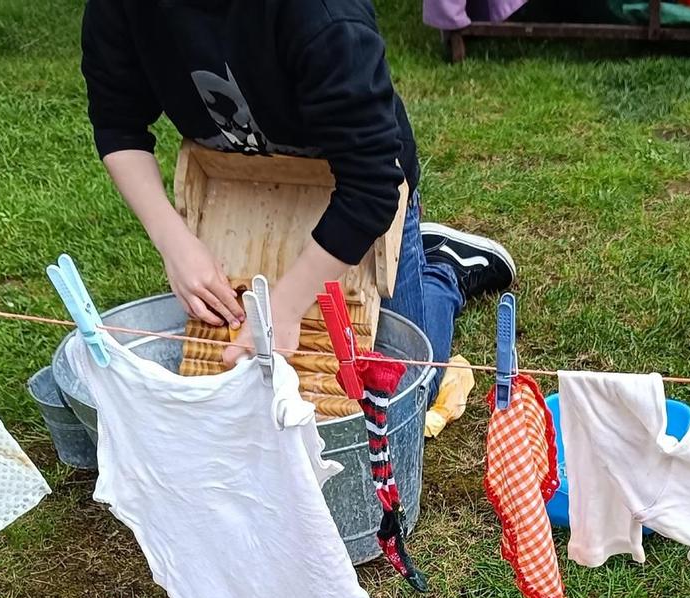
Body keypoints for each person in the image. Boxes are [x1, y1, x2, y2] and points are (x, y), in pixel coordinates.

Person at [80, 0, 514, 370]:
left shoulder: (322, 15)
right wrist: (173, 243)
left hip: (360, 193)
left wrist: (286, 308)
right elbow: (118, 124)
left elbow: (372, 182)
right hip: (240, 191)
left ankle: (442, 270)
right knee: (239, 386)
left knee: (401, 386)